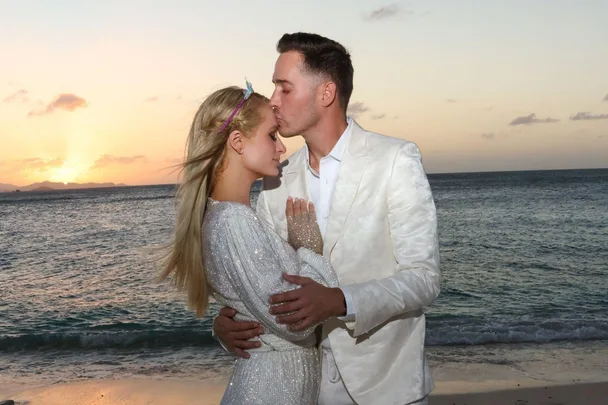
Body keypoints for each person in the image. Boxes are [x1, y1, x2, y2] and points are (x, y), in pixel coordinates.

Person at [213, 33, 441, 405]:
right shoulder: (276, 179)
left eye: (284, 88)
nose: (273, 100)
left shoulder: (396, 159)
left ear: (326, 93)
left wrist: (340, 300)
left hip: (388, 389)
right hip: (308, 389)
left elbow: (423, 278)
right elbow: (261, 278)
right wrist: (226, 323)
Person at [159, 82, 340, 404]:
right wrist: (309, 248)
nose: (282, 148)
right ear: (238, 142)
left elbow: (259, 303)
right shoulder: (233, 221)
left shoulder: (230, 217)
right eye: (272, 135)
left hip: (280, 382)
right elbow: (297, 323)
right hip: (272, 388)